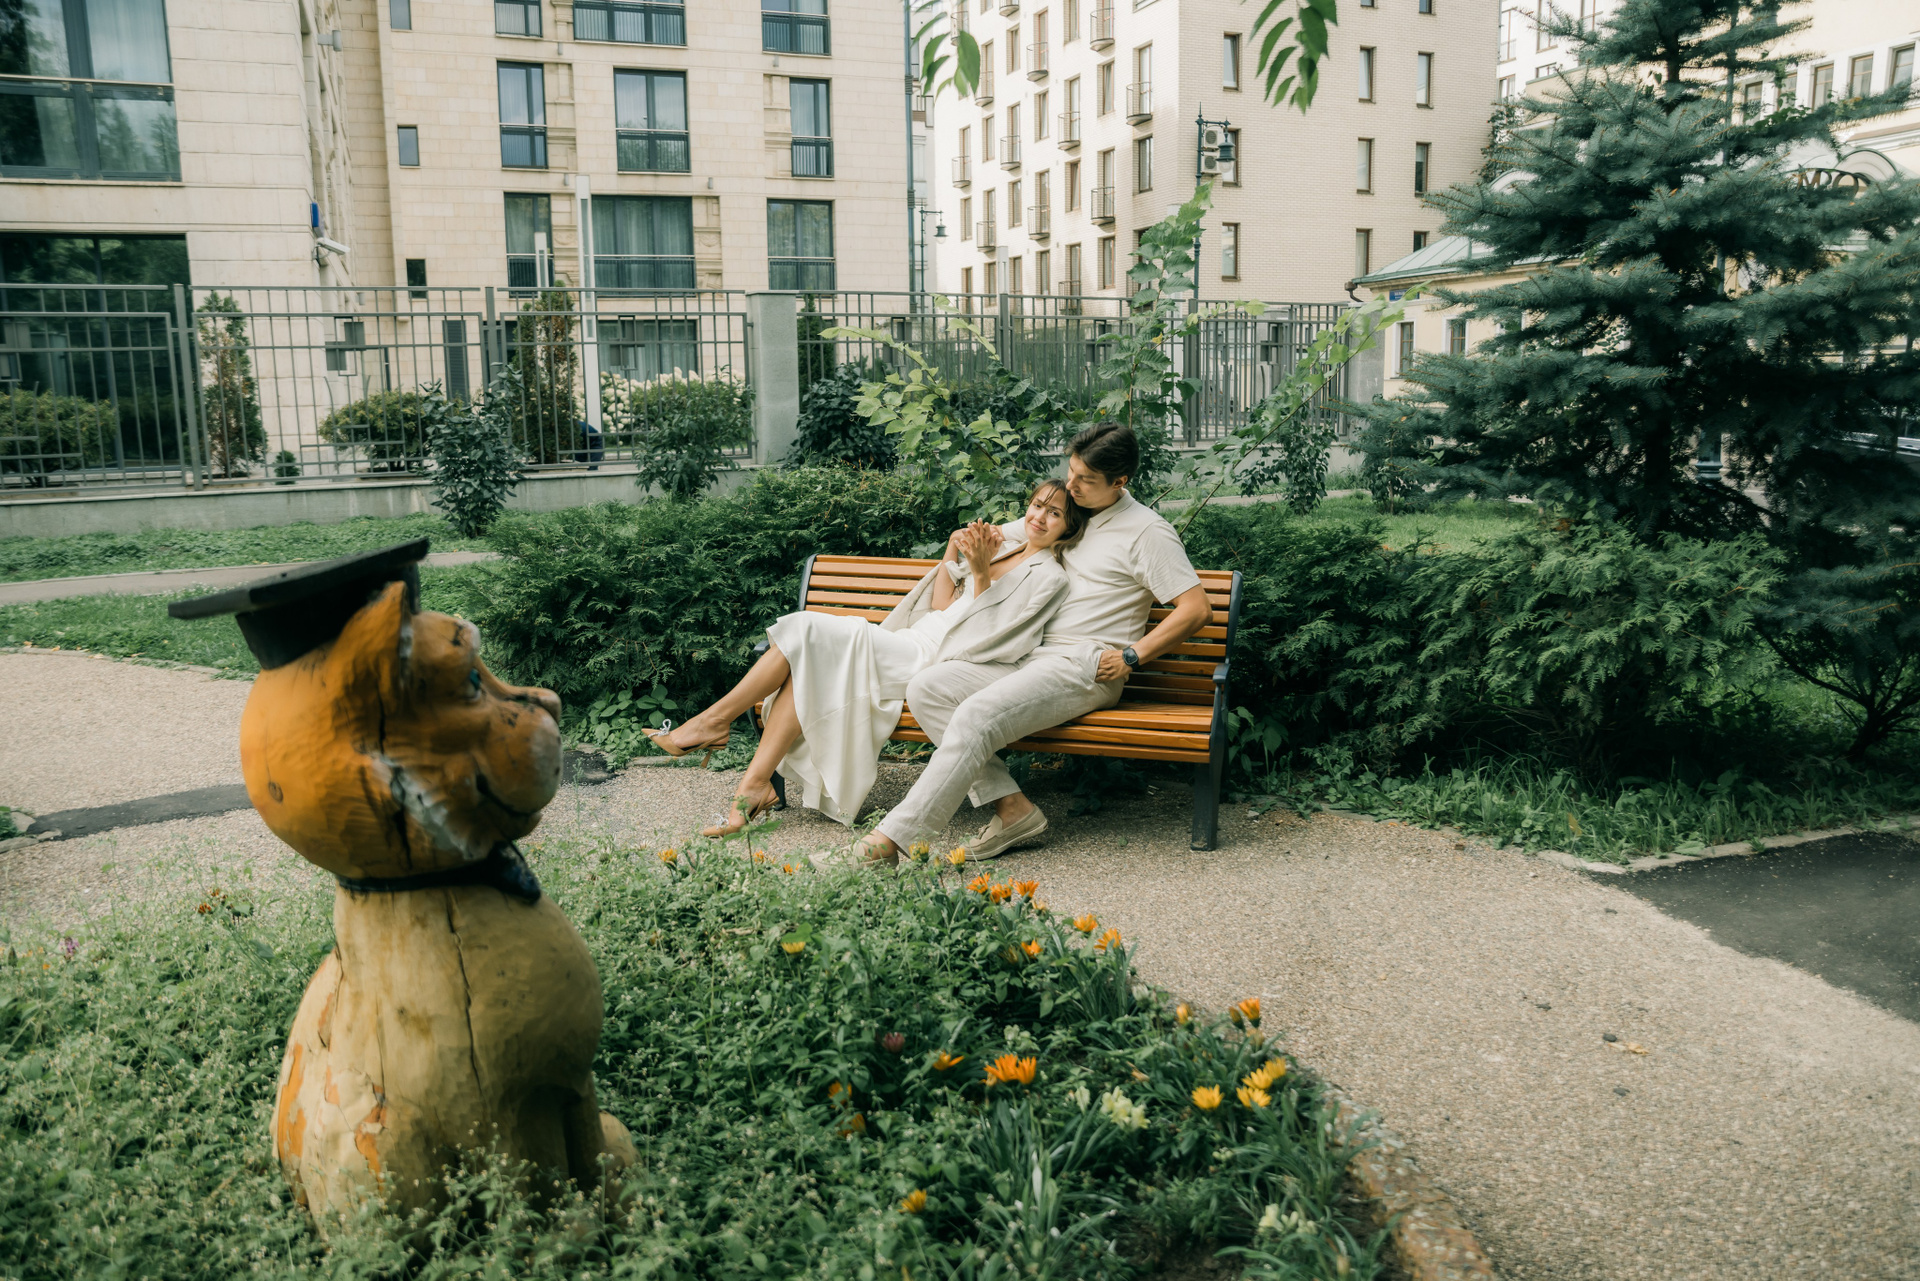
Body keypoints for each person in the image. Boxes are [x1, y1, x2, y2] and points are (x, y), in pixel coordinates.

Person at [847, 422, 1214, 866]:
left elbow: (1196, 609)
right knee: (929, 687)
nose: (1072, 485)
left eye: (1086, 479)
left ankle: (887, 843)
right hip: (1027, 655)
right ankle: (1014, 809)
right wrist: (972, 546)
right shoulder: (1073, 512)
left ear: (1120, 481)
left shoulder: (1146, 532)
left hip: (1082, 664)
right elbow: (998, 535)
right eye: (1071, 471)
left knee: (977, 715)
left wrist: (1132, 656)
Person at [647, 480, 1087, 836]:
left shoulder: (1050, 578)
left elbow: (991, 637)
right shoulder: (1006, 549)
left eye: (1054, 513)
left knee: (805, 629)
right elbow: (941, 607)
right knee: (805, 665)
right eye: (1036, 505)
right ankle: (753, 786)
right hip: (917, 637)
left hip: (939, 659)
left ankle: (712, 723)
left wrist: (979, 570)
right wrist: (953, 551)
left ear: (1068, 528)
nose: (1039, 517)